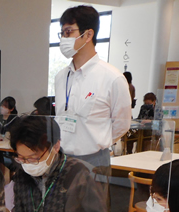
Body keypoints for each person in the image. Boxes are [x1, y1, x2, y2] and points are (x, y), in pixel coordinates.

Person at [54, 5, 131, 169]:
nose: (64, 39)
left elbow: (122, 125)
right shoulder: (61, 76)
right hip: (61, 158)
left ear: (88, 35)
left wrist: (98, 141)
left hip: (95, 160)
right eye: (62, 33)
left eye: (68, 32)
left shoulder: (112, 77)